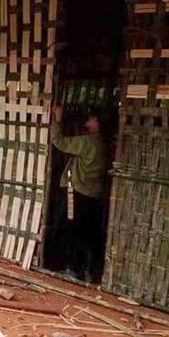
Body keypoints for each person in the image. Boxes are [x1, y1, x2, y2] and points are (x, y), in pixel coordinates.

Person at [51, 106, 108, 283]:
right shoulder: (104, 144)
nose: (88, 119)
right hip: (93, 196)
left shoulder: (87, 142)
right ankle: (88, 270)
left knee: (68, 229)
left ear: (97, 123)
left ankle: (72, 268)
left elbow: (59, 141)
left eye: (92, 118)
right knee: (87, 233)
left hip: (76, 194)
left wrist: (58, 119)